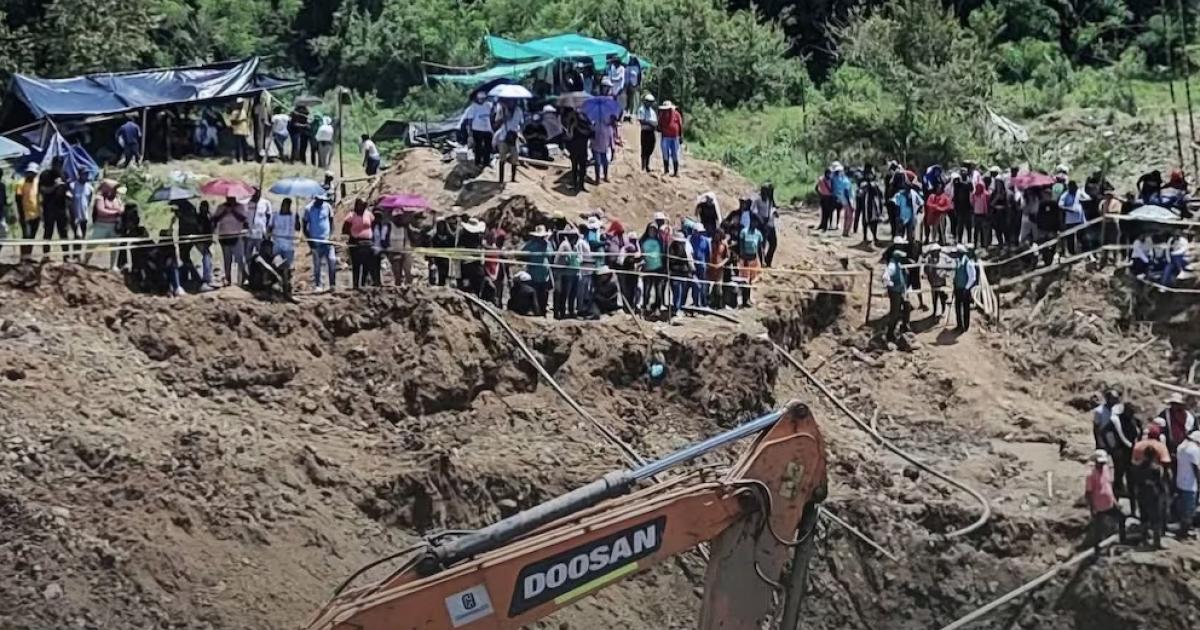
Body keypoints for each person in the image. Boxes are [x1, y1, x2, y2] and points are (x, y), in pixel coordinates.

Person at [1084, 450, 1126, 549]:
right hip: (1098, 505)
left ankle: (1123, 540)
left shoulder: (1106, 469)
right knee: (1098, 528)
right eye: (1100, 463)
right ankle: (1096, 548)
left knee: (1122, 518)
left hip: (1109, 503)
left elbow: (1108, 486)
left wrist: (1115, 501)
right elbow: (1088, 493)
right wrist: (1092, 507)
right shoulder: (1090, 475)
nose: (1102, 464)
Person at [84, 179, 123, 270]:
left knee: (115, 245)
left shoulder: (117, 198)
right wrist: (115, 212)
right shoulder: (100, 197)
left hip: (114, 226)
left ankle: (113, 266)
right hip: (101, 225)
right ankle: (85, 262)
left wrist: (118, 211)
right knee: (92, 245)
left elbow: (122, 208)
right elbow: (101, 211)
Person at [303, 194, 336, 291]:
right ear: (315, 199)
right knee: (317, 265)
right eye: (319, 200)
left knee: (332, 261)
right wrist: (310, 241)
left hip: (327, 240)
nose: (321, 201)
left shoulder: (327, 207)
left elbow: (331, 221)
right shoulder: (308, 209)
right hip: (315, 241)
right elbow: (304, 226)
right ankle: (318, 285)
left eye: (323, 200)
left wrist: (331, 235)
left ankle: (332, 285)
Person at [212, 196, 248, 287]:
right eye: (228, 198)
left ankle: (241, 281)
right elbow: (215, 219)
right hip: (224, 236)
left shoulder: (241, 206)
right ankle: (228, 279)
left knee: (239, 259)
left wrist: (233, 211)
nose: (230, 199)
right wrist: (224, 212)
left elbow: (243, 219)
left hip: (237, 236)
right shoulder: (221, 207)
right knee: (227, 260)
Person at [39, 165, 70, 260]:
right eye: (56, 164)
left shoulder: (64, 175)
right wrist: (55, 186)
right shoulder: (45, 175)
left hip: (61, 209)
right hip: (49, 209)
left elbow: (67, 190)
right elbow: (43, 190)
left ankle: (66, 256)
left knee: (63, 233)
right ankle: (46, 256)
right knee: (48, 233)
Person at [342, 198, 374, 290]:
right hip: (356, 243)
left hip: (368, 242)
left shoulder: (368, 214)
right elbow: (345, 229)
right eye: (361, 205)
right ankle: (355, 285)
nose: (362, 207)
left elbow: (373, 224)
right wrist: (353, 237)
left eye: (364, 205)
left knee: (366, 265)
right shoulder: (351, 216)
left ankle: (363, 285)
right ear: (357, 205)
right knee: (356, 265)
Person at [522, 225, 554, 316]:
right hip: (534, 274)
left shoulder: (548, 244)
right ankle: (537, 312)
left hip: (545, 276)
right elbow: (522, 253)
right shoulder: (531, 244)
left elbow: (551, 255)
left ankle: (542, 312)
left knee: (544, 295)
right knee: (535, 294)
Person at [268, 198, 297, 296]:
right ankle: (277, 286)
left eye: (288, 206)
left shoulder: (293, 216)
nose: (285, 208)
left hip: (289, 246)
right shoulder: (275, 215)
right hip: (277, 245)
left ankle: (287, 289)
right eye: (284, 205)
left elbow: (298, 228)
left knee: (287, 269)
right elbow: (270, 227)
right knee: (278, 265)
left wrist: (297, 219)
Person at [554, 227, 584, 319]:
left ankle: (570, 311)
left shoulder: (573, 245)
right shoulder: (565, 245)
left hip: (572, 273)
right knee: (563, 294)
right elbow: (569, 259)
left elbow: (578, 257)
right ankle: (561, 313)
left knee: (572, 294)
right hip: (565, 273)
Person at [1175, 431, 1200, 540]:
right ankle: (1184, 534)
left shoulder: (1181, 447)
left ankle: (1183, 529)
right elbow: (1196, 469)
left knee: (1182, 509)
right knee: (1189, 510)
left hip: (1180, 482)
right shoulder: (1194, 450)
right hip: (1190, 485)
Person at [493, 101, 524, 184]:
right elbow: (496, 124)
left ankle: (513, 179)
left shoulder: (518, 110)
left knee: (515, 157)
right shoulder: (501, 110)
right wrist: (504, 119)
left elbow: (521, 123)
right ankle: (501, 179)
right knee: (502, 158)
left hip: (514, 136)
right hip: (503, 136)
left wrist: (519, 132)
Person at [882, 249, 909, 342]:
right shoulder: (892, 266)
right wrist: (891, 284)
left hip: (899, 291)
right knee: (895, 313)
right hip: (894, 292)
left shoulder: (898, 265)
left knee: (906, 306)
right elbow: (885, 277)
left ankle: (903, 327)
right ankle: (890, 333)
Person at [15, 164, 41, 261]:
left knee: (32, 237)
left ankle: (28, 257)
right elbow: (18, 200)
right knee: (26, 236)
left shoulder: (37, 183)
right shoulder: (20, 183)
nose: (31, 175)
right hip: (25, 215)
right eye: (30, 173)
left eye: (33, 173)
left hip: (36, 215)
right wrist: (21, 216)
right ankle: (23, 258)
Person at [640, 223, 667, 313]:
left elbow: (663, 254)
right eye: (651, 229)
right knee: (646, 290)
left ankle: (657, 307)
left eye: (654, 230)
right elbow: (640, 253)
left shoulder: (660, 241)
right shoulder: (642, 241)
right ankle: (645, 306)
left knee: (658, 290)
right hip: (647, 268)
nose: (652, 231)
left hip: (658, 268)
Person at [563, 108, 592, 192]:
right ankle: (576, 185)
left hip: (580, 149)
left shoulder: (584, 124)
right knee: (576, 168)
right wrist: (572, 126)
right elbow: (569, 135)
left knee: (581, 168)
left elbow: (588, 133)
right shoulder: (572, 124)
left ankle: (580, 185)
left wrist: (576, 126)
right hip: (577, 149)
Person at [666, 231, 694, 317]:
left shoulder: (686, 246)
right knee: (677, 291)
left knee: (683, 291)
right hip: (675, 272)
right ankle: (677, 308)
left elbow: (690, 259)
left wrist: (691, 269)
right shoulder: (671, 248)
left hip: (684, 272)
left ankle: (680, 307)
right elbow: (670, 260)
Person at [738, 219, 764, 308]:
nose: (754, 223)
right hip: (745, 259)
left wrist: (762, 260)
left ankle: (748, 298)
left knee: (750, 281)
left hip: (753, 260)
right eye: (753, 221)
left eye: (756, 222)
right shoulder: (744, 232)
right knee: (745, 280)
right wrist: (743, 257)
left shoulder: (758, 234)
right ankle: (744, 300)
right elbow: (741, 246)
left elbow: (760, 248)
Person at [1058, 181, 1089, 255]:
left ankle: (1084, 252)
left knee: (1082, 236)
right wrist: (1069, 209)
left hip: (1080, 219)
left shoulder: (1079, 192)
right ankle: (1072, 253)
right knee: (1070, 238)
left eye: (1075, 188)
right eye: (1072, 188)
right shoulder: (1065, 195)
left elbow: (1088, 198)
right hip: (1070, 220)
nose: (1074, 189)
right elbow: (1060, 205)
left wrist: (1083, 199)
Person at [464, 92, 494, 168]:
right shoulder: (473, 107)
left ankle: (486, 163)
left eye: (483, 99)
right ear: (477, 99)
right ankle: (477, 162)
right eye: (480, 99)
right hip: (477, 129)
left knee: (488, 147)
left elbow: (491, 116)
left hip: (487, 129)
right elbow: (470, 120)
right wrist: (470, 132)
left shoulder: (488, 105)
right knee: (478, 146)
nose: (482, 100)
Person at [951, 244, 977, 332]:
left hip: (965, 289)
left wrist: (966, 288)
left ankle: (965, 326)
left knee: (965, 308)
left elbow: (972, 277)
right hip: (958, 288)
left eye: (957, 253)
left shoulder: (968, 263)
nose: (956, 254)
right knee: (957, 307)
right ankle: (959, 325)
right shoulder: (958, 262)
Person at [67, 175, 94, 260]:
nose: (86, 176)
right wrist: (73, 214)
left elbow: (89, 200)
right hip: (75, 215)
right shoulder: (72, 185)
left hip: (84, 216)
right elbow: (69, 201)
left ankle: (78, 255)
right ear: (80, 174)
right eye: (84, 174)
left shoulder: (89, 187)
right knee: (77, 235)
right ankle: (75, 255)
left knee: (82, 237)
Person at [752, 184, 778, 266]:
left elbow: (773, 208)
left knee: (773, 243)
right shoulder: (757, 200)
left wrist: (775, 212)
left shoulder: (770, 200)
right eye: (765, 191)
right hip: (762, 225)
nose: (766, 193)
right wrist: (760, 218)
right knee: (762, 245)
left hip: (770, 224)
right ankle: (761, 262)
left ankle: (768, 261)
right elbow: (753, 211)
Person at [857, 169, 885, 246]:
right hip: (866, 205)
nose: (870, 176)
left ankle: (874, 237)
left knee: (874, 221)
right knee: (866, 221)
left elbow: (880, 194)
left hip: (873, 206)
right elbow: (860, 193)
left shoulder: (875, 184)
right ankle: (865, 237)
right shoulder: (863, 183)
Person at [246, 188, 272, 263]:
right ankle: (248, 272)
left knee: (262, 255)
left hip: (260, 234)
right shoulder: (246, 203)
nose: (257, 194)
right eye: (254, 192)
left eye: (258, 192)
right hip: (249, 234)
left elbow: (269, 217)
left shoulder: (266, 203)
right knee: (247, 255)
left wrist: (267, 231)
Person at [924, 244, 949, 319]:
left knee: (942, 297)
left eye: (937, 251)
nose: (935, 253)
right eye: (934, 252)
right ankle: (934, 312)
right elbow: (926, 270)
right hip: (933, 282)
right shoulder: (929, 260)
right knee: (934, 298)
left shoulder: (943, 258)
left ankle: (943, 311)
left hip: (941, 282)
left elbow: (947, 268)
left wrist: (945, 274)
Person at [658, 101, 683, 177]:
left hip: (675, 137)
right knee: (665, 153)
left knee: (675, 153)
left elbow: (680, 125)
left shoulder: (676, 114)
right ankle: (666, 170)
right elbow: (659, 125)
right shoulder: (662, 115)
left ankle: (676, 172)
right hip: (665, 136)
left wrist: (681, 136)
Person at [689, 224, 711, 307]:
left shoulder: (706, 241)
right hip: (693, 266)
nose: (698, 233)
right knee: (695, 284)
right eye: (696, 232)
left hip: (703, 266)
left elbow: (708, 254)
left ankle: (704, 302)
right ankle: (695, 302)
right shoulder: (690, 240)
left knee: (704, 285)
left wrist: (708, 265)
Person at [428, 218, 454, 286]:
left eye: (442, 225)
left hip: (446, 259)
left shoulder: (450, 237)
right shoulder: (434, 238)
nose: (441, 227)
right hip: (437, 259)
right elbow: (431, 248)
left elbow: (452, 247)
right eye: (439, 225)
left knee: (445, 275)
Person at [831, 163, 855, 238]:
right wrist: (850, 203)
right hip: (847, 198)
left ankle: (845, 231)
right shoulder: (843, 180)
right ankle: (846, 231)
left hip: (842, 199)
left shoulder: (836, 179)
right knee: (850, 216)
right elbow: (846, 191)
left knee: (846, 215)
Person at [636, 94, 658, 172]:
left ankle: (647, 165)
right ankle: (643, 166)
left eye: (651, 102)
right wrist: (650, 123)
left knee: (650, 148)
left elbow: (655, 122)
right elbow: (642, 121)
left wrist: (653, 124)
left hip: (651, 131)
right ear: (645, 102)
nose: (650, 103)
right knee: (644, 148)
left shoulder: (652, 111)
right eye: (648, 102)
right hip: (645, 131)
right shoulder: (641, 109)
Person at [592, 113, 615, 183]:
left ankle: (605, 177)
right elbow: (592, 134)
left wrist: (612, 149)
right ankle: (597, 179)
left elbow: (611, 140)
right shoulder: (597, 125)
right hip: (596, 147)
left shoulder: (610, 128)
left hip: (604, 149)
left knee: (605, 163)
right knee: (597, 163)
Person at [970, 180, 990, 247]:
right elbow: (972, 203)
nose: (978, 188)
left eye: (980, 186)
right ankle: (975, 244)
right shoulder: (974, 194)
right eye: (977, 187)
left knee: (982, 231)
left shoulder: (986, 194)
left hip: (983, 215)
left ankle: (983, 245)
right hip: (976, 214)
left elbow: (987, 204)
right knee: (976, 230)